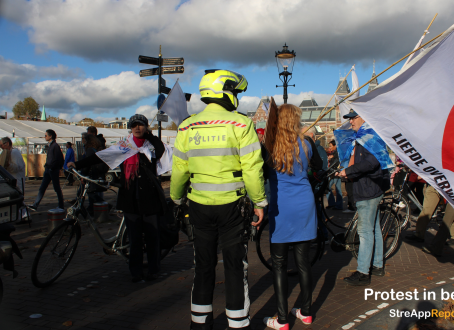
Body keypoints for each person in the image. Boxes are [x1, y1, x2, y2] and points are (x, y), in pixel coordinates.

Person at [170, 69, 266, 330]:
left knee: (202, 265)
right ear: (225, 92)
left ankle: (200, 324)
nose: (235, 96)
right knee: (236, 267)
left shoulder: (187, 125)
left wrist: (176, 199)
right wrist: (259, 203)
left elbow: (179, 168)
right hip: (232, 207)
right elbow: (252, 169)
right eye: (235, 91)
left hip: (198, 206)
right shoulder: (240, 124)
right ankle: (237, 323)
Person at [68, 114, 165, 282]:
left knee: (152, 237)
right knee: (134, 239)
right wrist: (77, 164)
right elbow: (100, 156)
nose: (137, 128)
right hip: (130, 199)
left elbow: (162, 150)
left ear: (146, 127)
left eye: (140, 125)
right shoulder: (124, 146)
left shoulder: (151, 146)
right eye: (134, 125)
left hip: (150, 199)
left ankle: (153, 269)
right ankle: (135, 272)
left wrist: (150, 135)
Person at [262, 104, 317, 329]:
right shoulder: (307, 144)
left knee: (279, 264)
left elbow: (263, 174)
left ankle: (282, 319)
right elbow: (318, 166)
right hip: (305, 204)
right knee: (303, 263)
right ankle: (305, 311)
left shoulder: (270, 147)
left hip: (281, 208)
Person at [336, 110, 393, 286]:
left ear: (363, 117)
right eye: (350, 119)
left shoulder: (369, 137)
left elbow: (371, 162)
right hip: (371, 188)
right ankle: (376, 265)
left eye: (353, 118)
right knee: (373, 228)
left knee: (365, 231)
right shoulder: (364, 136)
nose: (350, 122)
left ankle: (362, 272)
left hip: (367, 189)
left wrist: (348, 171)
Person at [28, 129, 64, 211]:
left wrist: (52, 167)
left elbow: (59, 159)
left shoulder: (55, 146)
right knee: (42, 187)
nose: (45, 137)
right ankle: (35, 204)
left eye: (46, 135)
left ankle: (61, 206)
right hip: (49, 169)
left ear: (50, 136)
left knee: (56, 188)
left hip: (52, 170)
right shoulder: (51, 145)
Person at [1, 137, 28, 222]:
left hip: (17, 179)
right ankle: (23, 216)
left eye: (1, 145)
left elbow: (18, 167)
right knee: (16, 198)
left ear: (7, 144)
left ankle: (24, 216)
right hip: (14, 179)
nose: (1, 147)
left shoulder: (14, 152)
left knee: (19, 198)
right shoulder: (10, 152)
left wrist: (8, 165)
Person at [326, 140, 343, 210]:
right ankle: (334, 204)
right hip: (333, 172)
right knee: (330, 188)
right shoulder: (334, 153)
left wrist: (331, 158)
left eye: (330, 146)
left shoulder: (337, 153)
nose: (329, 147)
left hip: (335, 172)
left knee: (334, 188)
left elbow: (337, 162)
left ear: (335, 146)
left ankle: (337, 205)